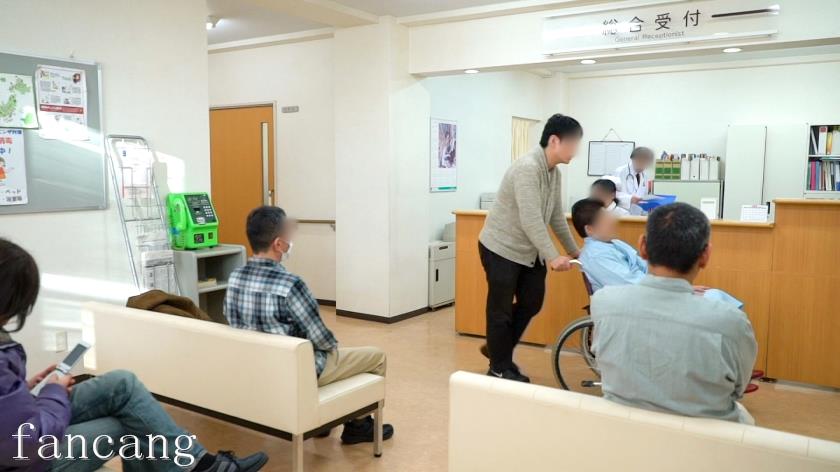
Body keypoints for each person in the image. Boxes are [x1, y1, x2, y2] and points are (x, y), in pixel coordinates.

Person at [0, 238, 268, 472]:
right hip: (28, 459)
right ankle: (201, 466)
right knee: (130, 425)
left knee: (122, 384)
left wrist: (20, 390)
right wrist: (54, 393)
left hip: (26, 426)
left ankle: (199, 463)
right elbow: (25, 443)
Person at [224, 206, 394, 444]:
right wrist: (332, 348)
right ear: (278, 244)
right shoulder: (291, 284)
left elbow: (232, 321)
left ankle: (324, 422)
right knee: (375, 357)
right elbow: (322, 339)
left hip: (257, 366)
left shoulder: (235, 277)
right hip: (297, 370)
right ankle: (358, 426)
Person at [590, 203, 758, 424]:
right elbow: (737, 387)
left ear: (642, 247)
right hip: (704, 433)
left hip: (625, 427)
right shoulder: (731, 321)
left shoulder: (604, 303)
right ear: (705, 255)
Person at [478, 114, 582, 383]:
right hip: (501, 247)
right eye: (573, 143)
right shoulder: (527, 168)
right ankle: (499, 367)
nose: (575, 150)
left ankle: (496, 348)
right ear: (555, 140)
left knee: (532, 302)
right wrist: (553, 256)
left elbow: (556, 215)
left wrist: (574, 251)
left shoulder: (554, 173)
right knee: (500, 310)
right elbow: (531, 218)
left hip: (528, 251)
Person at [571, 197, 742, 308]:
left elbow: (646, 266)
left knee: (714, 296)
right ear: (590, 229)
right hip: (636, 300)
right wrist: (675, 288)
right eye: (605, 219)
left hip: (652, 291)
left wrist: (676, 284)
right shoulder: (595, 255)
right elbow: (629, 283)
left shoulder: (613, 243)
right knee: (713, 301)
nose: (612, 221)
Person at [612, 146, 654, 215]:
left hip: (638, 214)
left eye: (646, 162)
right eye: (641, 161)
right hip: (621, 213)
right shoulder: (620, 172)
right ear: (633, 158)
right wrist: (630, 198)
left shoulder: (645, 175)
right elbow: (612, 193)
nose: (644, 164)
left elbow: (644, 195)